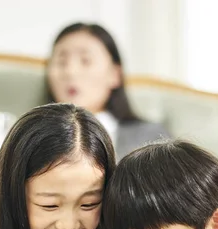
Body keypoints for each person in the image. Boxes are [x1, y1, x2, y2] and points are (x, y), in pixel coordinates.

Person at [46, 22, 171, 158]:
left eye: (85, 61)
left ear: (115, 74)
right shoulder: (32, 137)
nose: (70, 72)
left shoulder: (152, 138)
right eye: (61, 62)